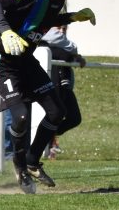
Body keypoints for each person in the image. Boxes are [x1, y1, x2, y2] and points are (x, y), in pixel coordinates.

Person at [0, 0, 96, 194]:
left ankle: (33, 161)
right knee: (22, 117)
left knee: (57, 112)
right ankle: (19, 165)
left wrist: (72, 17)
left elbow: (43, 22)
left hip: (26, 60)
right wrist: (5, 30)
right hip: (2, 62)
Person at [41, 24, 86, 159]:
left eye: (64, 28)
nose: (61, 32)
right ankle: (45, 144)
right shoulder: (44, 40)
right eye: (58, 28)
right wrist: (73, 55)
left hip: (65, 86)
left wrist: (74, 56)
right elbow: (63, 51)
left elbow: (66, 53)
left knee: (75, 118)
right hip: (51, 84)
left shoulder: (64, 46)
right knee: (54, 115)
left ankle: (50, 136)